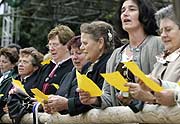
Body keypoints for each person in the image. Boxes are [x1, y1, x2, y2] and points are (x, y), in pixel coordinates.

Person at [78, 0, 164, 113]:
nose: (125, 13)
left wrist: (145, 96)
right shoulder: (116, 54)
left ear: (144, 14)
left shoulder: (158, 44)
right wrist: (95, 99)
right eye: (123, 10)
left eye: (132, 9)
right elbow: (108, 95)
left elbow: (167, 84)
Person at [130, 5, 180, 106]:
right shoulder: (162, 60)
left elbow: (173, 96)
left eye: (168, 29)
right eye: (161, 31)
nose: (163, 35)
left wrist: (152, 98)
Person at [43, 36, 90, 116]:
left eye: (79, 53)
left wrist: (67, 104)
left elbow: (91, 102)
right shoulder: (67, 76)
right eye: (72, 53)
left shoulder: (93, 74)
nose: (74, 57)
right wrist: (51, 105)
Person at [36, 25, 75, 95]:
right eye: (50, 45)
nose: (51, 48)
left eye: (55, 44)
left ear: (67, 46)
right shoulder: (46, 67)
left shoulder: (73, 68)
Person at [80, 21, 113, 89]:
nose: (81, 48)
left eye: (85, 43)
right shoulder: (86, 66)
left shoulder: (109, 66)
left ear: (100, 43)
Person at [0, 48, 19, 117]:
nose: (1, 64)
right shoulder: (2, 77)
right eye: (0, 61)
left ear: (13, 65)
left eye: (4, 62)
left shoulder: (14, 79)